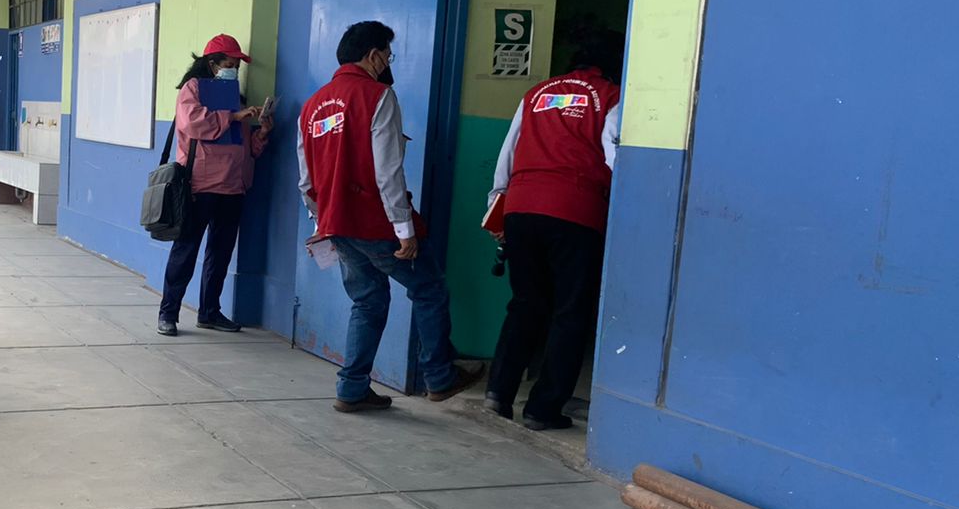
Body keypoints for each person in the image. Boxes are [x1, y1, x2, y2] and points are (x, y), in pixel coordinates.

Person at [297, 21, 483, 413]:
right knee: (429, 289)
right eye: (388, 55)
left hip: (338, 224)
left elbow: (305, 180)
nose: (387, 63)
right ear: (373, 55)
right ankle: (439, 376)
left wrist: (324, 219)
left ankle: (351, 389)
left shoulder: (312, 106)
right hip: (376, 223)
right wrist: (405, 230)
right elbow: (387, 171)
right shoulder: (378, 96)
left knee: (367, 302)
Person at [485, 31, 624, 430]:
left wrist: (498, 206)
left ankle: (498, 392)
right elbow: (614, 156)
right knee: (570, 312)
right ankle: (542, 409)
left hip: (522, 207)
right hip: (576, 211)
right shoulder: (611, 97)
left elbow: (507, 153)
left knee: (526, 302)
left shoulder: (537, 94)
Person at [156, 34, 272, 336]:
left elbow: (246, 148)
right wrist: (233, 116)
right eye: (228, 64)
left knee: (219, 254)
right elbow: (192, 123)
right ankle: (168, 313)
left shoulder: (237, 97)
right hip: (199, 186)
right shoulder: (193, 90)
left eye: (236, 65)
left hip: (233, 188)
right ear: (212, 64)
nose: (233, 69)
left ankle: (210, 312)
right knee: (186, 251)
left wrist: (261, 133)